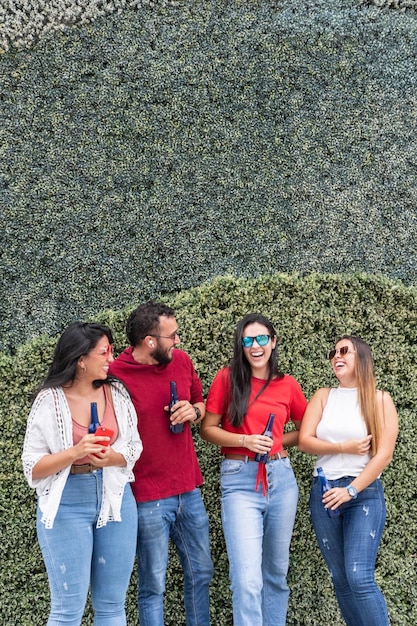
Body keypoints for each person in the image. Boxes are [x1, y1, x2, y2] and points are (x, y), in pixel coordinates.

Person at [22, 322, 143, 626]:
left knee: (113, 606)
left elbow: (133, 446)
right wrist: (76, 452)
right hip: (66, 503)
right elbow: (33, 466)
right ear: (81, 359)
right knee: (67, 610)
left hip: (115, 497)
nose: (111, 359)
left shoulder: (116, 392)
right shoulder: (49, 401)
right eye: (104, 352)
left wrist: (109, 457)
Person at [108, 300, 213, 626]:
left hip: (188, 489)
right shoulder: (114, 375)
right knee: (153, 584)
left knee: (202, 571)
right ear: (149, 341)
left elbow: (202, 403)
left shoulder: (181, 361)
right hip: (147, 496)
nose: (178, 341)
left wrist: (194, 411)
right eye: (172, 336)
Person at [200, 313, 308, 626]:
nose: (255, 345)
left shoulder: (287, 385)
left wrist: (273, 443)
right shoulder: (227, 377)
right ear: (241, 345)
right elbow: (208, 429)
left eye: (262, 338)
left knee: (275, 574)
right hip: (240, 480)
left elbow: (304, 432)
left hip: (281, 479)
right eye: (248, 340)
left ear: (273, 342)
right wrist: (246, 440)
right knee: (246, 580)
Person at [298, 335, 398, 626]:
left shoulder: (380, 399)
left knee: (358, 575)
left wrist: (351, 490)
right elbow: (305, 441)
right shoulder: (323, 396)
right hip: (325, 492)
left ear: (361, 358)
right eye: (333, 352)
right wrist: (342, 448)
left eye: (344, 351)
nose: (336, 356)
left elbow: (384, 455)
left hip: (362, 493)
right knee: (340, 579)